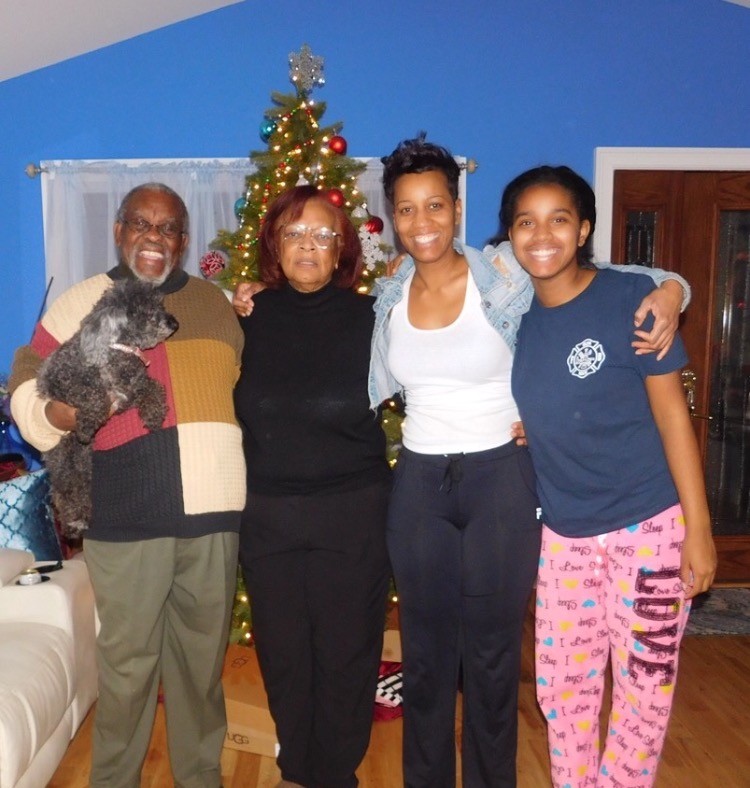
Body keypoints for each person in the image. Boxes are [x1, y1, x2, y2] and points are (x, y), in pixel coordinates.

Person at [366, 135, 691, 788]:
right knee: (426, 656)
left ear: (458, 211)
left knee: (491, 658)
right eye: (406, 209)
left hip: (499, 482)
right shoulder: (387, 294)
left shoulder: (503, 274)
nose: (421, 221)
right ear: (392, 218)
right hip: (421, 484)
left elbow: (622, 283)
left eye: (435, 205)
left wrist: (675, 289)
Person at [9, 183, 246, 788]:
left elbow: (241, 386)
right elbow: (26, 382)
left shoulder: (216, 303)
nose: (154, 236)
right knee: (128, 669)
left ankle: (201, 778)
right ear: (119, 231)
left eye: (168, 228)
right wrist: (55, 418)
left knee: (200, 668)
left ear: (184, 242)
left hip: (213, 512)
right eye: (140, 223)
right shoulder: (82, 300)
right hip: (125, 512)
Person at [504, 165, 717, 788]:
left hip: (649, 530)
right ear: (511, 236)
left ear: (584, 228)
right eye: (525, 221)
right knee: (562, 691)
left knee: (643, 692)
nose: (541, 235)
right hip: (565, 536)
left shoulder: (632, 300)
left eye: (559, 218)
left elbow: (676, 421)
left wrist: (698, 532)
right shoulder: (514, 320)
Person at [233, 185, 391, 788]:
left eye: (323, 235)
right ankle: (298, 767)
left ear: (341, 249)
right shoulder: (245, 315)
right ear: (275, 244)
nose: (308, 245)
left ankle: (337, 772)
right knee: (284, 652)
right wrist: (235, 293)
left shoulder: (375, 317)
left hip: (352, 514)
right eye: (295, 233)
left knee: (347, 653)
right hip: (267, 517)